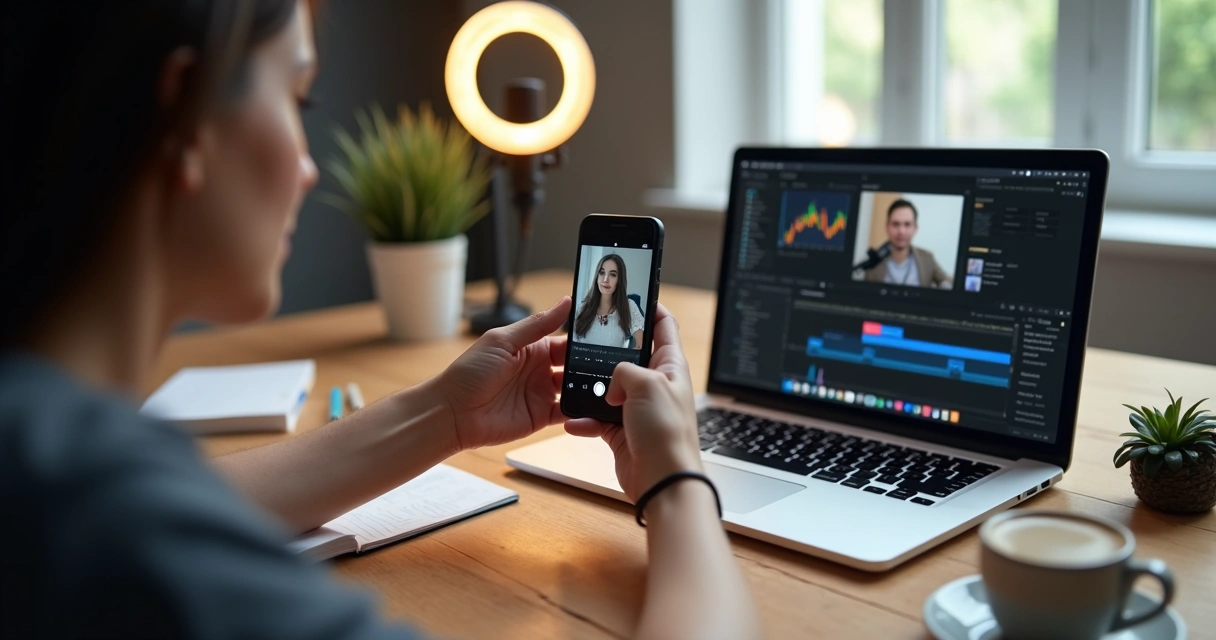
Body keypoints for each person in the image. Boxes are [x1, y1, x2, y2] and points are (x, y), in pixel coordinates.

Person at [0, 2, 762, 639]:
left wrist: (446, 414)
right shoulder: (132, 553)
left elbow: (186, 495)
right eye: (299, 99)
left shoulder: (47, 461)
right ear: (189, 113)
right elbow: (151, 523)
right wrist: (677, 484)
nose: (309, 165)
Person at [864, 199, 953, 288]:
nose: (901, 231)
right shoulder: (872, 262)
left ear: (915, 228)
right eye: (896, 224)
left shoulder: (927, 258)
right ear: (887, 227)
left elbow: (945, 281)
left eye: (907, 224)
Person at [571, 253, 645, 349]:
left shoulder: (629, 306)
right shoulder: (581, 308)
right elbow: (572, 346)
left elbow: (640, 345)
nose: (605, 279)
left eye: (613, 275)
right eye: (602, 273)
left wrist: (623, 362)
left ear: (619, 280)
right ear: (596, 277)